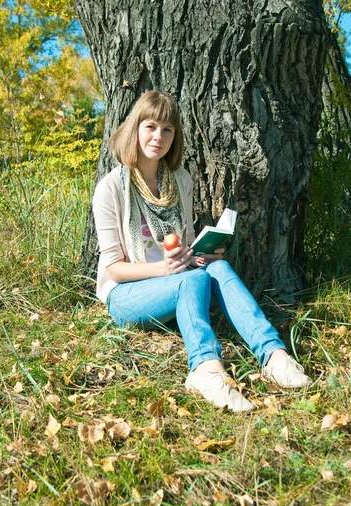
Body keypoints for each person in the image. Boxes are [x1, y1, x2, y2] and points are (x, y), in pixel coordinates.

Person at [92, 91, 312, 414]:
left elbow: (188, 242)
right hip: (126, 295)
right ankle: (205, 370)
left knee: (218, 270)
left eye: (168, 130)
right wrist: (166, 270)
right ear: (135, 128)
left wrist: (202, 255)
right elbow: (114, 269)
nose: (159, 137)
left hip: (177, 279)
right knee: (190, 282)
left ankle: (274, 356)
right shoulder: (110, 188)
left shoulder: (179, 180)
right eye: (150, 126)